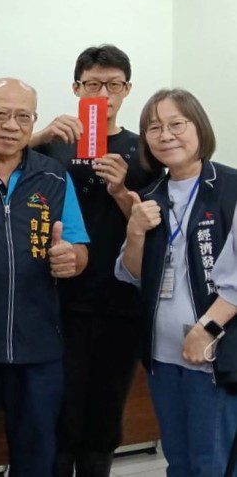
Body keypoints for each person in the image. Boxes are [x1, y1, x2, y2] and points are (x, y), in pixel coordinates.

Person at [0, 78, 89, 477]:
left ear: (34, 122)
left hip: (38, 345)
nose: (12, 125)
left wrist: (72, 259)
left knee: (37, 455)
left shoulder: (54, 176)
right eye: (0, 114)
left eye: (23, 116)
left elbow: (79, 248)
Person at [30, 45, 161, 476]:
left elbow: (154, 227)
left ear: (127, 89)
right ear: (76, 88)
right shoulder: (55, 143)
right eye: (92, 85)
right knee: (60, 414)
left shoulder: (144, 150)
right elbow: (1, 163)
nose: (103, 95)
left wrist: (121, 191)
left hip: (120, 301)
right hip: (58, 298)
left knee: (105, 416)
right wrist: (36, 137)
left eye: (113, 85)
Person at [116, 88, 237, 476]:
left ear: (198, 126)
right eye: (154, 128)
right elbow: (134, 274)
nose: (165, 135)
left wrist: (207, 329)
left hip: (212, 354)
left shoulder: (230, 188)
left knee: (211, 463)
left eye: (176, 124)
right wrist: (135, 231)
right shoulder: (151, 195)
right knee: (178, 461)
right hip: (162, 356)